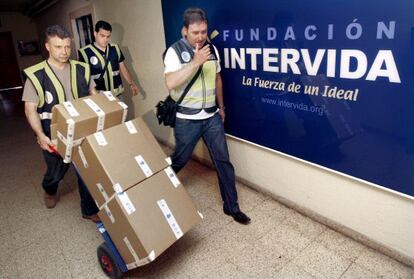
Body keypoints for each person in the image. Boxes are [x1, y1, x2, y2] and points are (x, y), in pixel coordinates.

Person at [163, 8, 251, 225]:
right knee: (179, 160)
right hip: (187, 119)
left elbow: (217, 78)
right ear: (185, 31)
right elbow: (170, 83)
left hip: (212, 117)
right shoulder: (174, 51)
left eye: (204, 31)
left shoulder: (212, 49)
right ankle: (156, 188)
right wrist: (195, 62)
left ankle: (232, 207)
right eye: (195, 32)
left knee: (223, 162)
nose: (201, 36)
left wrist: (221, 106)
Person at [22, 25, 100, 223]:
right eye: (58, 47)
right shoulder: (36, 75)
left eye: (67, 46)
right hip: (53, 133)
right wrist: (40, 135)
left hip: (82, 128)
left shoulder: (82, 69)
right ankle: (49, 189)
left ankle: (89, 210)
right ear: (48, 47)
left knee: (85, 170)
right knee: (56, 171)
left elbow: (95, 95)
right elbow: (30, 109)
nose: (64, 52)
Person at [78, 20, 139, 101]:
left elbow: (123, 68)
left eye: (108, 36)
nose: (105, 39)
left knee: (124, 113)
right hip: (99, 98)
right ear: (95, 34)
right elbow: (83, 78)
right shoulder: (85, 53)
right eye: (102, 36)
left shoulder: (115, 48)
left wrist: (131, 84)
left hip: (118, 96)